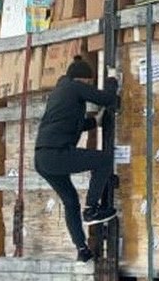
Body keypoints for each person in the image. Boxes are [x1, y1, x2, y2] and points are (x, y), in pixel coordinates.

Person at [33, 56, 119, 262]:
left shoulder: (60, 92)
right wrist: (113, 80)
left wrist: (93, 122)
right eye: (88, 83)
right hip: (57, 154)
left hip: (43, 159)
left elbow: (68, 124)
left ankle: (82, 249)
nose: (89, 87)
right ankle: (91, 209)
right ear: (82, 79)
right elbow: (106, 98)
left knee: (71, 202)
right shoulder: (73, 87)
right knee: (104, 160)